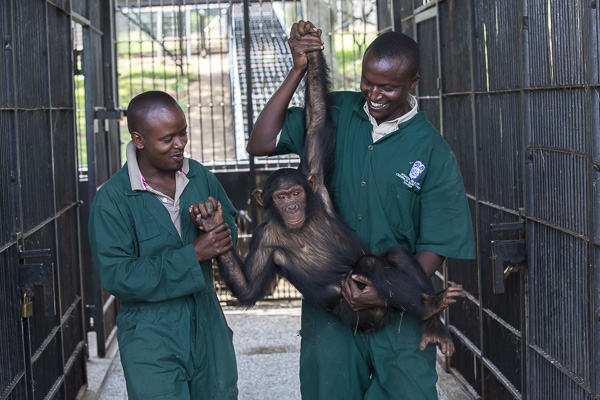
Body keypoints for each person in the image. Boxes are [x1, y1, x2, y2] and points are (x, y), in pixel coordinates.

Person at [246, 21, 476, 400]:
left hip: (399, 307)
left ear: (413, 83)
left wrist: (383, 292)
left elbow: (437, 242)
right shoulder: (336, 110)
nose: (373, 93)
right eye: (367, 81)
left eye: (387, 86)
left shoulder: (432, 150)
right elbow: (262, 141)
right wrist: (299, 69)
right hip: (332, 303)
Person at [88, 90, 238, 400]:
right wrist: (194, 255)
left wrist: (218, 229)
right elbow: (118, 276)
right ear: (139, 141)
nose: (180, 143)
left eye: (183, 133)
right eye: (168, 138)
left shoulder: (199, 177)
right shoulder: (113, 199)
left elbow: (231, 234)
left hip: (208, 326)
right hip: (150, 337)